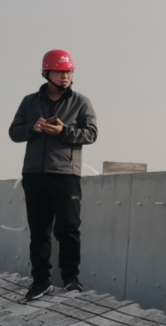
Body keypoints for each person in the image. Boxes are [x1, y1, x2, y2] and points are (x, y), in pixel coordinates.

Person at [8, 50, 98, 301]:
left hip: (66, 174)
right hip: (34, 174)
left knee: (69, 228)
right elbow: (14, 132)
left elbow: (91, 134)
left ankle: (71, 278)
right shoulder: (29, 102)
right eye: (60, 72)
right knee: (39, 231)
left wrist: (64, 131)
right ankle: (40, 281)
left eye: (69, 72)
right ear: (46, 73)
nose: (65, 77)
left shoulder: (81, 102)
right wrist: (33, 127)